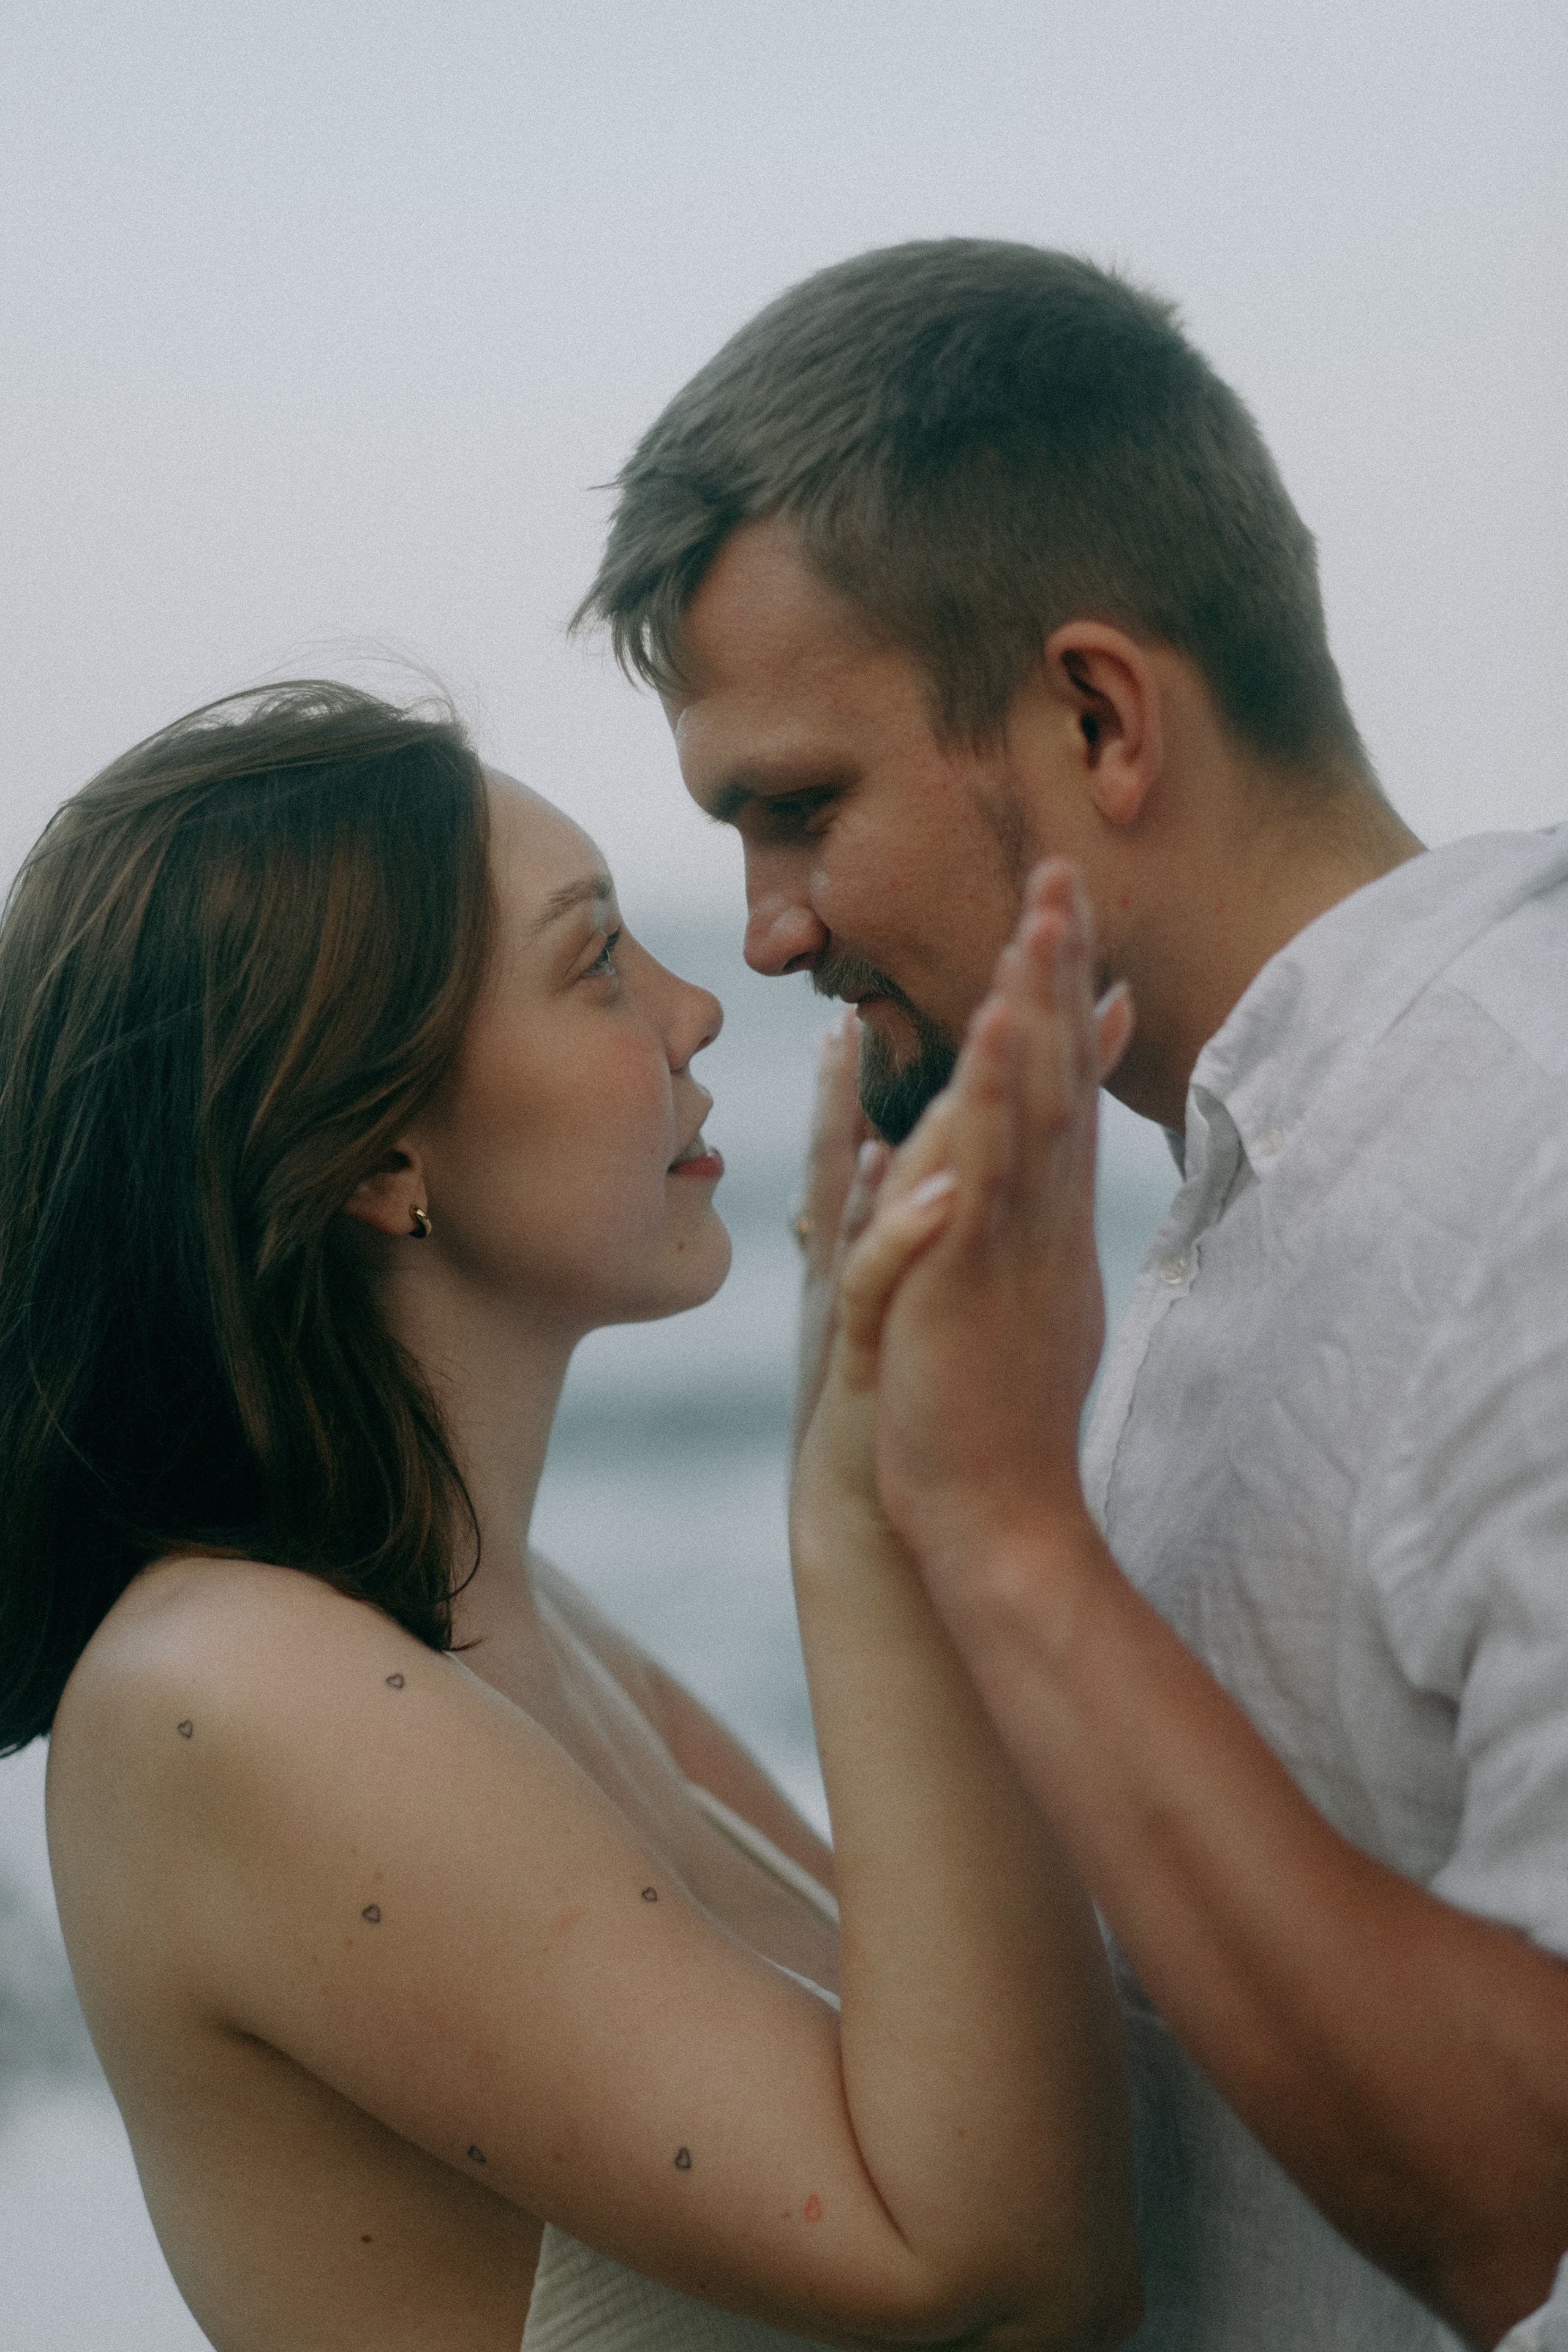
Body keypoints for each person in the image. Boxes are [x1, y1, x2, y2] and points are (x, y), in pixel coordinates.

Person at [575, 238, 1568, 2351]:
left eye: (799, 810)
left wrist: (1012, 1537)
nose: (760, 939)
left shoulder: (1534, 1164)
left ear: (1100, 715)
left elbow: (1518, 2192)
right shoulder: (1222, 1195)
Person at [0, 680, 1141, 2350]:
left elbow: (996, 2073)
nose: (698, 1011)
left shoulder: (510, 1620)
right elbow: (1014, 2274)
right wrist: (876, 1525)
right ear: (377, 1142)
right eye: (597, 960)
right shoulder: (222, 1691)